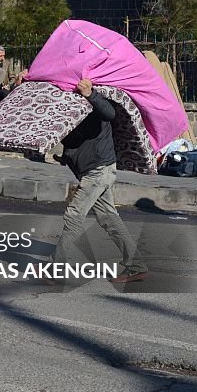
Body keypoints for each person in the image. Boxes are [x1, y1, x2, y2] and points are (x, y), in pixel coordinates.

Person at [52, 78, 149, 284]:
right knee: (108, 217)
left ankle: (55, 269)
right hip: (93, 169)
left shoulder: (97, 96)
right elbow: (74, 138)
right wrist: (66, 157)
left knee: (74, 215)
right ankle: (136, 265)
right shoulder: (68, 102)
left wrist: (90, 94)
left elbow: (109, 113)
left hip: (98, 169)